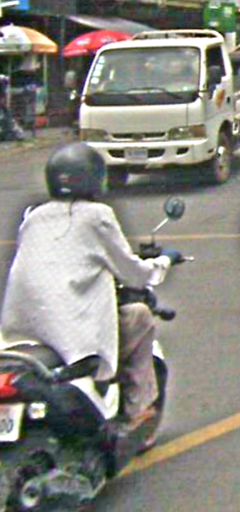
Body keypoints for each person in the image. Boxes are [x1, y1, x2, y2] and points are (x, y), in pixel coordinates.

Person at [0, 142, 182, 432]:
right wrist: (164, 261)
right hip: (72, 333)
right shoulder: (98, 216)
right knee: (140, 317)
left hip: (21, 331)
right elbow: (134, 273)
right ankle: (137, 410)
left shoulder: (33, 217)